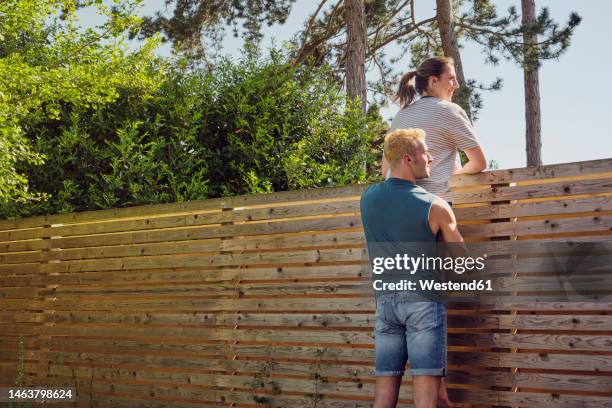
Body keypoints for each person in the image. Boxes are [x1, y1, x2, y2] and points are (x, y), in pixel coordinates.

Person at [361, 128, 464, 408]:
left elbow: (389, 174)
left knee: (383, 396)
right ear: (408, 159)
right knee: (427, 397)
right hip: (423, 304)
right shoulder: (435, 206)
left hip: (386, 303)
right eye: (425, 152)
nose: (430, 158)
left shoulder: (367, 199)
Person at [382, 56, 486, 202]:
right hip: (436, 204)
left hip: (398, 204)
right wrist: (455, 177)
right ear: (433, 81)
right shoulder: (449, 110)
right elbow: (479, 163)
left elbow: (386, 170)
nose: (456, 85)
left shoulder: (401, 115)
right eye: (451, 78)